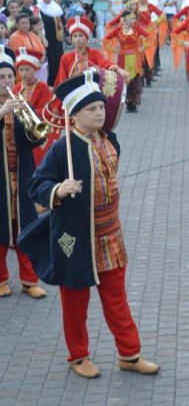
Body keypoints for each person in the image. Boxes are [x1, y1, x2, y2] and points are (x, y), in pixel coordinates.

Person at [19, 70, 159, 379]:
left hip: (110, 236)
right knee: (75, 302)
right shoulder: (62, 148)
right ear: (75, 115)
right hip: (73, 238)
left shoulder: (111, 141)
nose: (99, 112)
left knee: (116, 299)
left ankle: (129, 353)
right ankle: (78, 355)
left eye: (100, 107)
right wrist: (58, 190)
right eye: (91, 109)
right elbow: (36, 184)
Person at [0, 49, 46, 300]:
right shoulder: (7, 105)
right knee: (0, 230)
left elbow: (38, 138)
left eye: (10, 76)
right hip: (1, 179)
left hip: (22, 175)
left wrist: (31, 123)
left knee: (25, 228)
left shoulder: (22, 104)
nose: (7, 81)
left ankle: (30, 281)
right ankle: (1, 280)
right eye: (2, 77)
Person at [103, 9, 150, 113]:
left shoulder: (137, 29)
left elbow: (149, 36)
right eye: (132, 18)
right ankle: (126, 102)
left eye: (134, 18)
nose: (134, 20)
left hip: (135, 58)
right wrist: (113, 49)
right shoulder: (118, 31)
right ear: (125, 19)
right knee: (125, 80)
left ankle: (133, 103)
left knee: (134, 80)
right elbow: (106, 40)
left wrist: (143, 47)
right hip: (122, 58)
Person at [12, 47, 53, 165]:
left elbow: (46, 110)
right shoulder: (17, 87)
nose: (23, 73)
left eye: (27, 69)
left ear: (35, 69)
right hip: (20, 129)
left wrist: (30, 111)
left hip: (37, 128)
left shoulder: (43, 87)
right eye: (21, 70)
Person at [36, 0, 64, 87]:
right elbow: (38, 24)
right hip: (45, 38)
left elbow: (61, 22)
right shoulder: (38, 8)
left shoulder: (56, 8)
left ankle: (59, 80)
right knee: (48, 61)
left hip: (57, 39)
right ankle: (50, 82)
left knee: (58, 59)